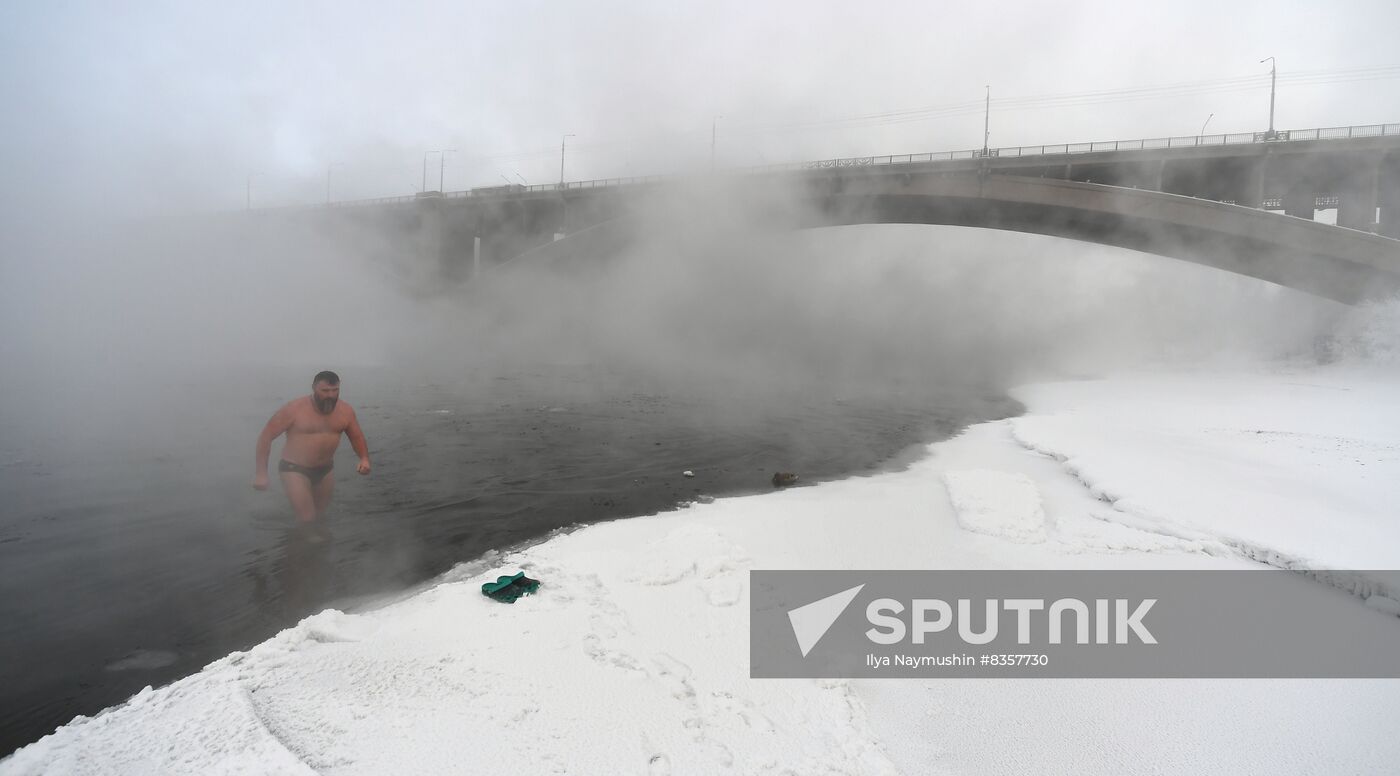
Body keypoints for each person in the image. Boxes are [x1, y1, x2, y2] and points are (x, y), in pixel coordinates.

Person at [253, 371, 370, 535]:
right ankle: (302, 552)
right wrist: (261, 473)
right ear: (314, 388)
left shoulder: (345, 411)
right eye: (325, 391)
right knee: (307, 518)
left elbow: (357, 437)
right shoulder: (294, 409)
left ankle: (319, 551)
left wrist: (364, 458)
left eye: (335, 390)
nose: (330, 395)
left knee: (320, 517)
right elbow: (266, 437)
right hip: (294, 469)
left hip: (325, 470)